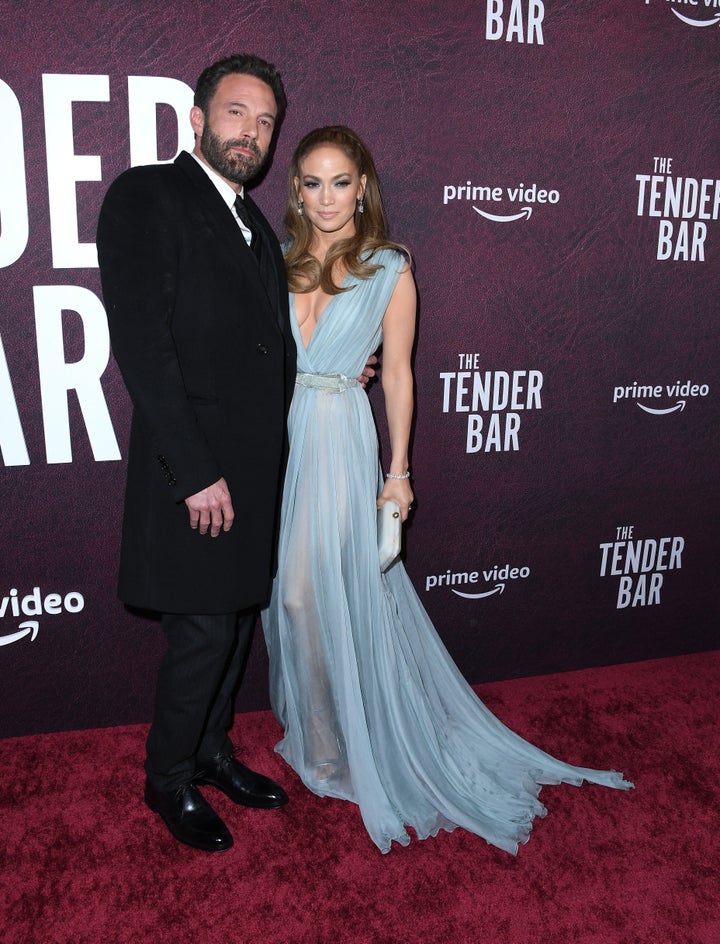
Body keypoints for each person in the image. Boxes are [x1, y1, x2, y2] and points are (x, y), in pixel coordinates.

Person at [261, 126, 634, 855]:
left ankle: (344, 742)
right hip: (279, 440)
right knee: (292, 597)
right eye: (313, 182)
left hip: (339, 434)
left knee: (320, 594)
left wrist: (397, 479)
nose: (328, 197)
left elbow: (397, 374)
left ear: (363, 186)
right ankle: (321, 731)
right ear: (296, 192)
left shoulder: (389, 267)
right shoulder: (273, 263)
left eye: (341, 181)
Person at [96, 54, 297, 853]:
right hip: (196, 474)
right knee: (205, 633)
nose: (250, 132)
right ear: (199, 119)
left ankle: (213, 752)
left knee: (239, 622)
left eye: (265, 121)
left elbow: (262, 349)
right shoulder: (148, 195)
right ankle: (168, 776)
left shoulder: (258, 229)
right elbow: (144, 349)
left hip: (256, 471)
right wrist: (195, 470)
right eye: (236, 113)